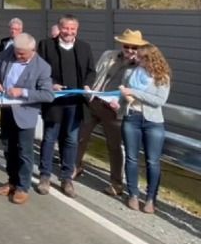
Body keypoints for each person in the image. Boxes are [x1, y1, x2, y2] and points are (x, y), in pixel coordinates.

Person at [77, 29, 147, 195]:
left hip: (116, 109)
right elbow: (96, 73)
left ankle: (116, 183)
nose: (129, 50)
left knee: (114, 146)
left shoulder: (141, 66)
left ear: (139, 48)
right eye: (126, 46)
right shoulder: (110, 55)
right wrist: (90, 90)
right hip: (96, 101)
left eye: (133, 47)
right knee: (80, 136)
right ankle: (75, 167)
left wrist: (122, 103)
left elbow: (141, 91)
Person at [0, 33, 55, 205]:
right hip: (7, 110)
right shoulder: (10, 51)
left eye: (22, 54)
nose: (17, 56)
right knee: (9, 149)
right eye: (16, 52)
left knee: (24, 152)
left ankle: (23, 187)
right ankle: (11, 181)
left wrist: (22, 92)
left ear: (33, 50)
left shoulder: (42, 67)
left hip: (25, 113)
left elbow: (48, 94)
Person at [36, 15, 95, 198]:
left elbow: (91, 71)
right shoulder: (46, 45)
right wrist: (51, 84)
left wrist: (86, 85)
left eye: (72, 29)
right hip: (54, 101)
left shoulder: (84, 47)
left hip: (75, 103)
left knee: (70, 140)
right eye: (65, 28)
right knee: (49, 138)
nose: (69, 32)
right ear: (59, 28)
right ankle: (44, 176)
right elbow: (39, 69)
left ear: (77, 30)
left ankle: (66, 178)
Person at [120, 44, 171, 214]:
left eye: (141, 58)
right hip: (131, 117)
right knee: (132, 158)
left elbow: (158, 100)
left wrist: (133, 92)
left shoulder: (162, 77)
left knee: (153, 161)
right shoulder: (130, 72)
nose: (137, 59)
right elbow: (124, 93)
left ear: (151, 59)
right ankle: (133, 194)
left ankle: (150, 198)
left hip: (153, 121)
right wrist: (122, 96)